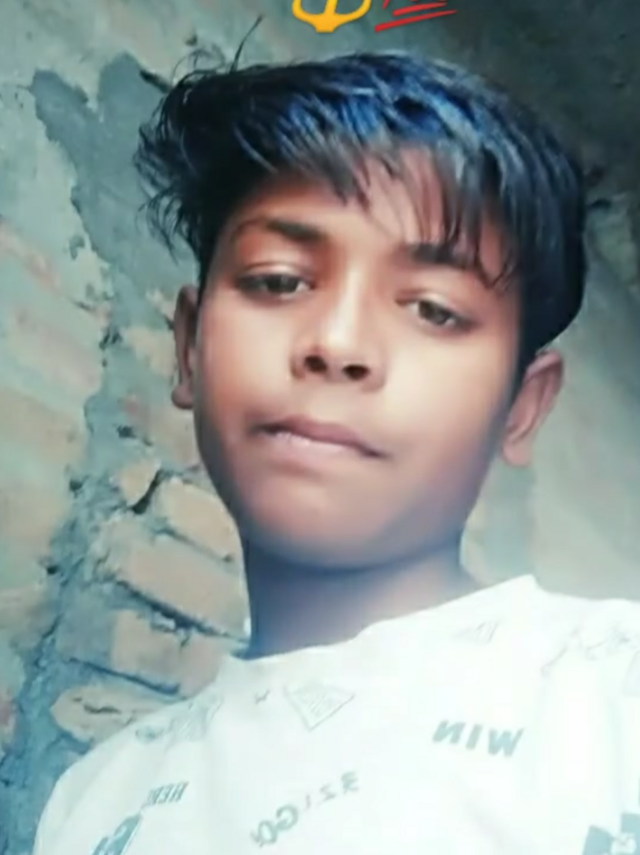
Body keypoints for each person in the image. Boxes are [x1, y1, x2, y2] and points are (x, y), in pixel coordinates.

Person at [33, 51, 638, 855]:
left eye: (432, 309)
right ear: (189, 348)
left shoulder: (613, 695)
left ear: (521, 408)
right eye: (279, 280)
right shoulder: (94, 801)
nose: (339, 342)